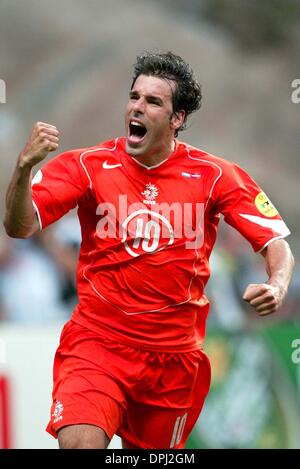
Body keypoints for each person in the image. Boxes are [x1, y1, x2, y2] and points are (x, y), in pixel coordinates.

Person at [3, 51, 294, 449]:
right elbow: (19, 226)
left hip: (172, 361)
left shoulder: (214, 176)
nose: (137, 107)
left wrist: (277, 284)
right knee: (80, 443)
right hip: (98, 344)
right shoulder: (89, 166)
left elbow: (274, 242)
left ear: (177, 118)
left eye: (153, 101)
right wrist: (22, 168)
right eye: (134, 97)